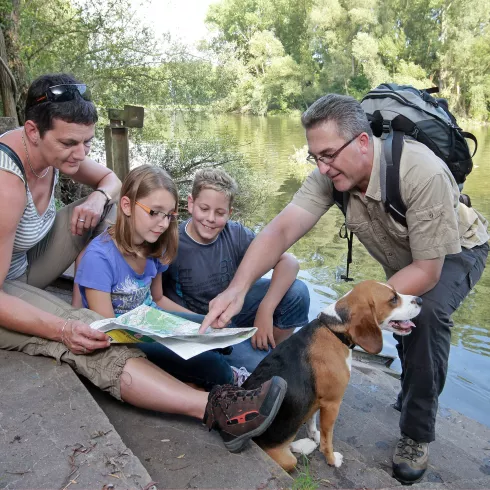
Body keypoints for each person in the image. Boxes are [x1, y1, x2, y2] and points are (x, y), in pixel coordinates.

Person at [198, 94, 489, 483]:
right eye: (315, 156)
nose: (322, 166)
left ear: (364, 142)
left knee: (428, 314)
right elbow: (282, 229)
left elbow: (427, 270)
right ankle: (414, 383)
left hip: (451, 252)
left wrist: (351, 313)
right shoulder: (331, 174)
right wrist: (238, 289)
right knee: (391, 317)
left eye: (329, 154)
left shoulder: (424, 174)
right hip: (402, 249)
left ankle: (416, 434)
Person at [0, 73, 287, 453]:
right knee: (88, 331)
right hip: (5, 288)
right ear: (32, 132)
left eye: (87, 141)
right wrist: (64, 327)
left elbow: (110, 180)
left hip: (24, 266)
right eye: (70, 143)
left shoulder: (58, 154)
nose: (80, 153)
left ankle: (99, 294)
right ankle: (214, 409)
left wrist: (96, 197)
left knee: (103, 210)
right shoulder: (6, 184)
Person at [76, 164, 246, 388]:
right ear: (126, 205)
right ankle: (228, 379)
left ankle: (201, 364)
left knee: (219, 336)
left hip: (154, 321)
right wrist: (174, 341)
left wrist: (201, 324)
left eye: (169, 215)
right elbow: (110, 332)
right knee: (213, 367)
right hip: (124, 336)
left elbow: (157, 300)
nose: (163, 224)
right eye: (154, 213)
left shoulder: (155, 245)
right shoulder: (99, 258)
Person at [162, 168, 310, 371]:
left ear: (229, 213)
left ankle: (272, 348)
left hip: (237, 311)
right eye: (204, 209)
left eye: (220, 213)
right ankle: (259, 360)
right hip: (201, 324)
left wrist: (265, 310)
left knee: (297, 292)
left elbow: (289, 262)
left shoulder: (237, 234)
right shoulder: (171, 242)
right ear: (190, 203)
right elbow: (156, 298)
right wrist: (199, 325)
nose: (211, 218)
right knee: (259, 367)